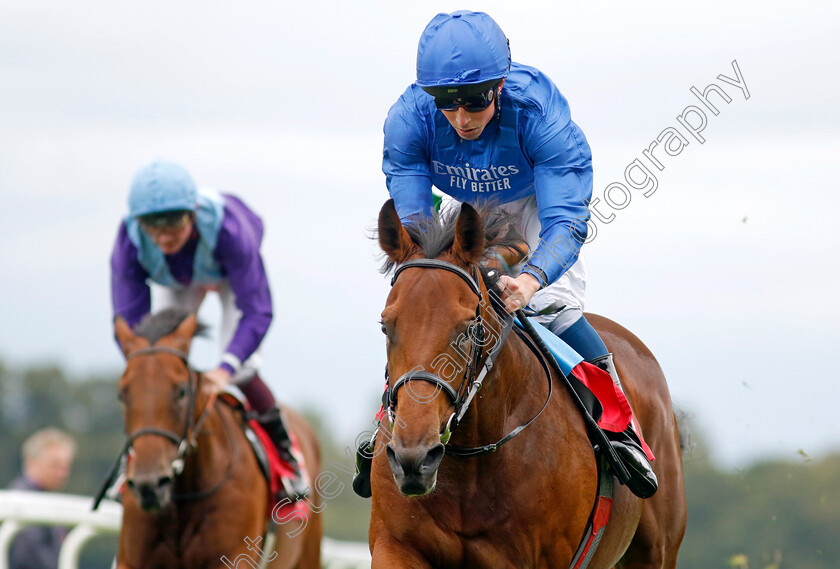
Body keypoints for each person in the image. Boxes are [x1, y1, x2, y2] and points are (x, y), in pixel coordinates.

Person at [357, 11, 656, 499]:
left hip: (540, 204)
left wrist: (531, 279)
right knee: (428, 307)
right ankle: (391, 423)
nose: (461, 118)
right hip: (467, 212)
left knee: (550, 308)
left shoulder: (540, 115)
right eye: (446, 105)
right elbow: (413, 224)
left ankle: (621, 431)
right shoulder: (407, 121)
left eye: (475, 102)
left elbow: (567, 223)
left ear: (499, 86)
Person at [110, 159, 307, 498]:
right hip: (178, 279)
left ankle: (289, 461)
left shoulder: (229, 231)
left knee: (242, 369)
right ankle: (135, 459)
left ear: (193, 213)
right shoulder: (129, 242)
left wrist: (224, 368)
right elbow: (129, 323)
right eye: (153, 229)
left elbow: (258, 311)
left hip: (230, 273)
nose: (163, 237)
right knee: (154, 366)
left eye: (173, 226)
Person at [7, 429, 76, 569]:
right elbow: (28, 559)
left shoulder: (47, 500)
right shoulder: (21, 501)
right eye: (55, 465)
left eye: (65, 467)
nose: (62, 474)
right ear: (31, 462)